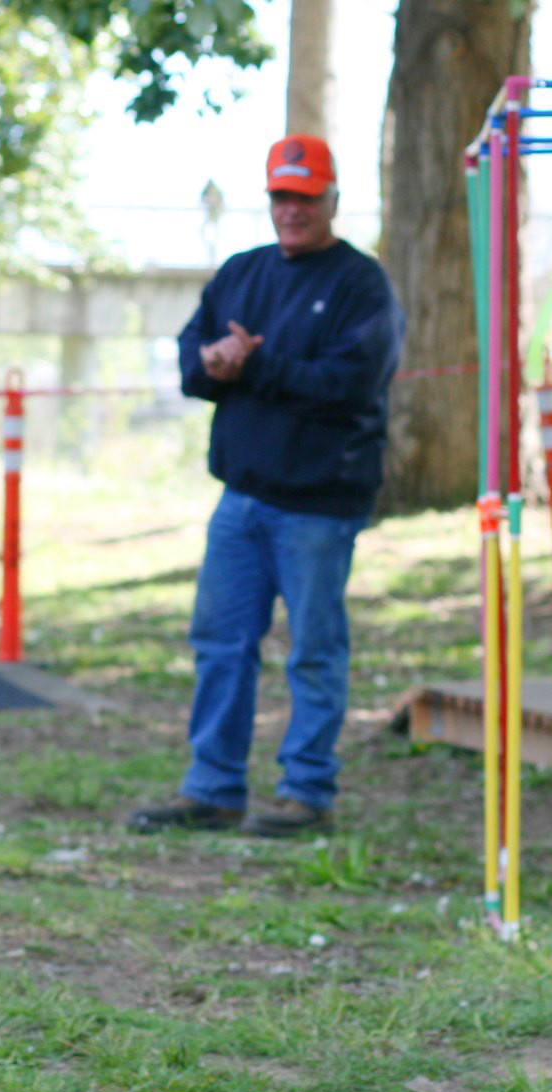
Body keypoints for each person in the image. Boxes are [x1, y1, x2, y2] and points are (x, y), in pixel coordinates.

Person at [128, 135, 405, 840]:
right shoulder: (240, 273)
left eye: (305, 197)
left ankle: (305, 791)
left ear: (330, 201)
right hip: (239, 502)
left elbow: (348, 385)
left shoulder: (359, 284)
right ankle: (212, 789)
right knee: (219, 645)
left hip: (318, 506)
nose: (291, 209)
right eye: (281, 196)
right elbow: (191, 360)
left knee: (312, 651)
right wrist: (213, 363)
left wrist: (252, 367)